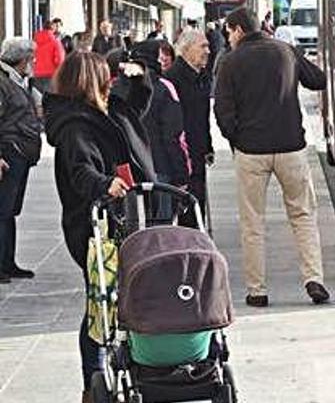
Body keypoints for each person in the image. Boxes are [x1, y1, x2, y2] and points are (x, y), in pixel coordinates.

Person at [43, 52, 155, 403]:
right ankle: (93, 379)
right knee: (100, 301)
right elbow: (81, 171)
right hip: (94, 225)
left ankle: (127, 366)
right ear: (94, 82)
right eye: (106, 77)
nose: (111, 82)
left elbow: (134, 107)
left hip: (123, 216)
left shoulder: (106, 111)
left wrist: (137, 76)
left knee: (119, 297)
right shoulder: (76, 125)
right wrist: (104, 183)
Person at [214, 6, 329, 307]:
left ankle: (257, 290)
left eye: (228, 32)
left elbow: (222, 111)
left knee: (252, 222)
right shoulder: (285, 50)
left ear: (238, 29)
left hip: (252, 151)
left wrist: (236, 139)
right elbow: (318, 80)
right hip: (291, 145)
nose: (227, 38)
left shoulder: (230, 61)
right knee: (303, 215)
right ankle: (313, 278)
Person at [132, 41, 191, 222]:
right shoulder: (164, 88)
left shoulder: (118, 87)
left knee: (132, 227)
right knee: (161, 228)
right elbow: (174, 136)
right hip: (160, 168)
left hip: (128, 171)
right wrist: (182, 175)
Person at [0, 38, 42, 282]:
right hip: (8, 153)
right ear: (22, 60)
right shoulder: (3, 83)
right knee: (3, 211)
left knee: (11, 211)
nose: (34, 62)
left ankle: (9, 262)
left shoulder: (20, 81)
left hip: (20, 154)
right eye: (31, 58)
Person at [164, 30, 213, 228]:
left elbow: (202, 118)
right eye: (203, 46)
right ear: (186, 49)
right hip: (182, 155)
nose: (208, 51)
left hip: (198, 150)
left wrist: (207, 146)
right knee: (188, 208)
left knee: (197, 204)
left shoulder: (200, 76)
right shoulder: (173, 79)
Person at [33, 19, 65, 93]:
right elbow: (59, 60)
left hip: (37, 73)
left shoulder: (34, 42)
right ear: (53, 29)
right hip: (51, 74)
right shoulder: (55, 42)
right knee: (50, 97)